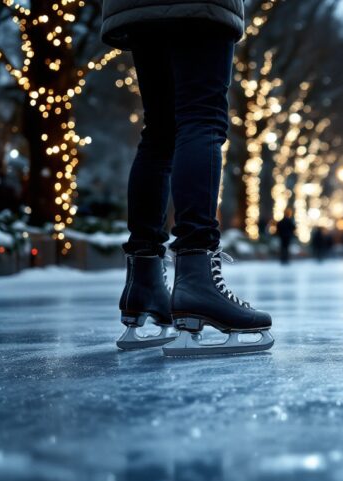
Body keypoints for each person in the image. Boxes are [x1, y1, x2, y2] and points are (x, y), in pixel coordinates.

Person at [103, 0, 273, 356]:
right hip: (200, 8)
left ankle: (144, 283)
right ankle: (197, 279)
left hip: (137, 9)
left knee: (159, 131)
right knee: (201, 118)